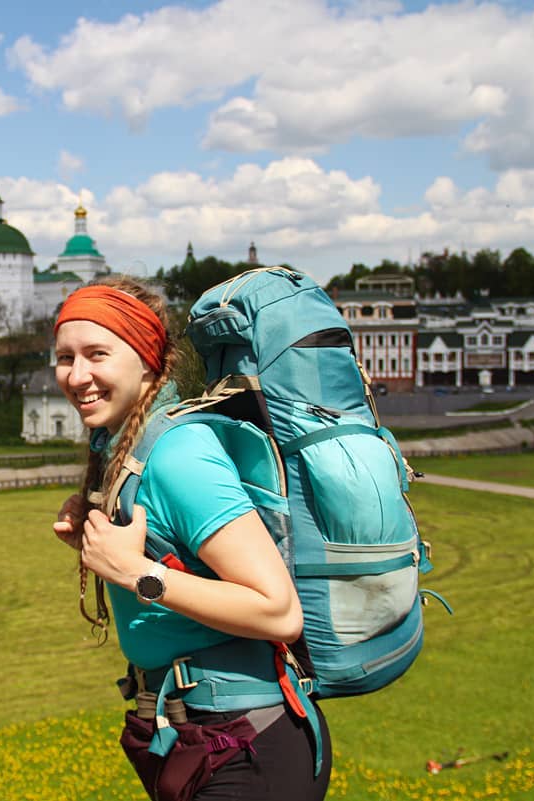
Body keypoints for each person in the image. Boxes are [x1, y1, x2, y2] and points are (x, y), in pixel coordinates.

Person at [51, 276, 331, 801]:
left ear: (147, 359)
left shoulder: (179, 454)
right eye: (65, 357)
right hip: (196, 740)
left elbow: (278, 612)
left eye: (97, 354)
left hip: (249, 748)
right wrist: (104, 544)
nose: (77, 374)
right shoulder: (127, 447)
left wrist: (137, 574)